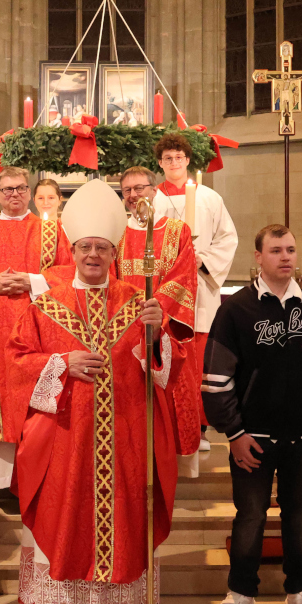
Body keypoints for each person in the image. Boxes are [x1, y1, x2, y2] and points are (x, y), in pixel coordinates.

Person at [9, 179, 187, 604]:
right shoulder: (45, 305)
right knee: (62, 519)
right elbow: (17, 362)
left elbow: (165, 372)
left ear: (114, 253)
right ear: (73, 250)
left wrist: (156, 336)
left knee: (124, 522)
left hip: (124, 438)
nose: (93, 255)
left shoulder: (137, 302)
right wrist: (60, 364)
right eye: (85, 247)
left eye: (102, 248)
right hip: (64, 441)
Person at [202, 224, 302, 604]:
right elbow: (215, 379)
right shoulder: (236, 309)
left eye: (291, 249)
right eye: (276, 250)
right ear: (258, 257)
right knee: (251, 516)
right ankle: (241, 591)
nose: (286, 257)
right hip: (252, 438)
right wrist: (235, 434)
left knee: (299, 515)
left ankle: (301, 591)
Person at [0, 166, 72, 514]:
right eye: (6, 190)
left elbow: (68, 269)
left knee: (32, 403)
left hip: (39, 333)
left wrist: (32, 281)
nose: (14, 195)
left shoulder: (51, 230)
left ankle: (32, 481)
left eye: (20, 189)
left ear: (29, 191)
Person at [154, 132, 238, 452]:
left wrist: (203, 261)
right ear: (160, 163)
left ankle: (200, 427)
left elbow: (227, 239)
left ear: (188, 160)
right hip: (166, 289)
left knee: (199, 360)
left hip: (201, 289)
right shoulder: (153, 201)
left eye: (179, 157)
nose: (174, 163)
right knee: (169, 355)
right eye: (168, 158)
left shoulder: (209, 198)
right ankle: (168, 424)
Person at [116, 165, 202, 462]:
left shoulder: (178, 230)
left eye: (139, 188)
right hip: (124, 328)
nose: (133, 195)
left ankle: (167, 452)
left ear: (154, 190)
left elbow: (183, 276)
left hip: (163, 327)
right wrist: (127, 312)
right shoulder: (116, 233)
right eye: (127, 190)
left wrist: (156, 312)